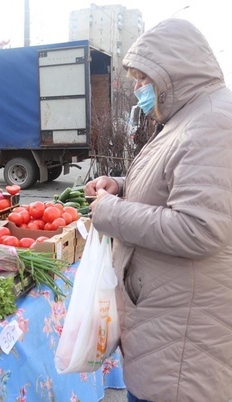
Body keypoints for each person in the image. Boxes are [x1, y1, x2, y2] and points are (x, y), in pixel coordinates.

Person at [85, 19, 232, 402]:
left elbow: (199, 227)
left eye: (142, 79)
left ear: (171, 74)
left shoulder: (213, 123)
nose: (137, 89)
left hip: (183, 342)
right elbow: (171, 188)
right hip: (167, 321)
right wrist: (120, 185)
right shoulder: (187, 118)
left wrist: (110, 211)